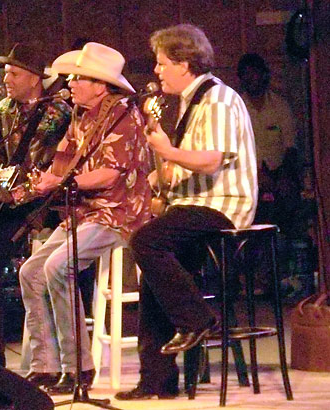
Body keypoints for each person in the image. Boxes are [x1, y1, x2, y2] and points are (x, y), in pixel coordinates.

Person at [115, 24, 257, 400]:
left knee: (146, 240)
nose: (157, 71)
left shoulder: (219, 100)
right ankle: (156, 380)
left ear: (184, 63)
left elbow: (212, 162)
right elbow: (181, 170)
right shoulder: (190, 104)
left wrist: (168, 151)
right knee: (152, 271)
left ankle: (197, 318)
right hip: (194, 204)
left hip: (223, 206)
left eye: (162, 64)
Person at [19, 42, 151, 393]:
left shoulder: (124, 115)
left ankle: (79, 367)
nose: (71, 84)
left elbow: (110, 174)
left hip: (117, 213)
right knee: (30, 272)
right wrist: (32, 186)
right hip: (84, 213)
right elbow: (61, 163)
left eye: (79, 78)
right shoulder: (80, 115)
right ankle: (46, 366)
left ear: (101, 84)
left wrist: (62, 182)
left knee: (57, 267)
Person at [0, 43, 72, 367]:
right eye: (6, 71)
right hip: (10, 199)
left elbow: (46, 163)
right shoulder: (2, 109)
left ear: (35, 78)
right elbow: (1, 154)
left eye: (13, 72)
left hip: (42, 201)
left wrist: (15, 189)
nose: (6, 77)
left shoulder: (57, 112)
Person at [237, 53, 301, 233]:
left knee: (288, 204)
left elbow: (291, 147)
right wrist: (256, 176)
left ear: (264, 75)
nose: (250, 78)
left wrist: (284, 177)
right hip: (247, 177)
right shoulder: (236, 107)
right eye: (245, 74)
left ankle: (286, 248)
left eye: (254, 73)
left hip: (279, 175)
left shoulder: (280, 106)